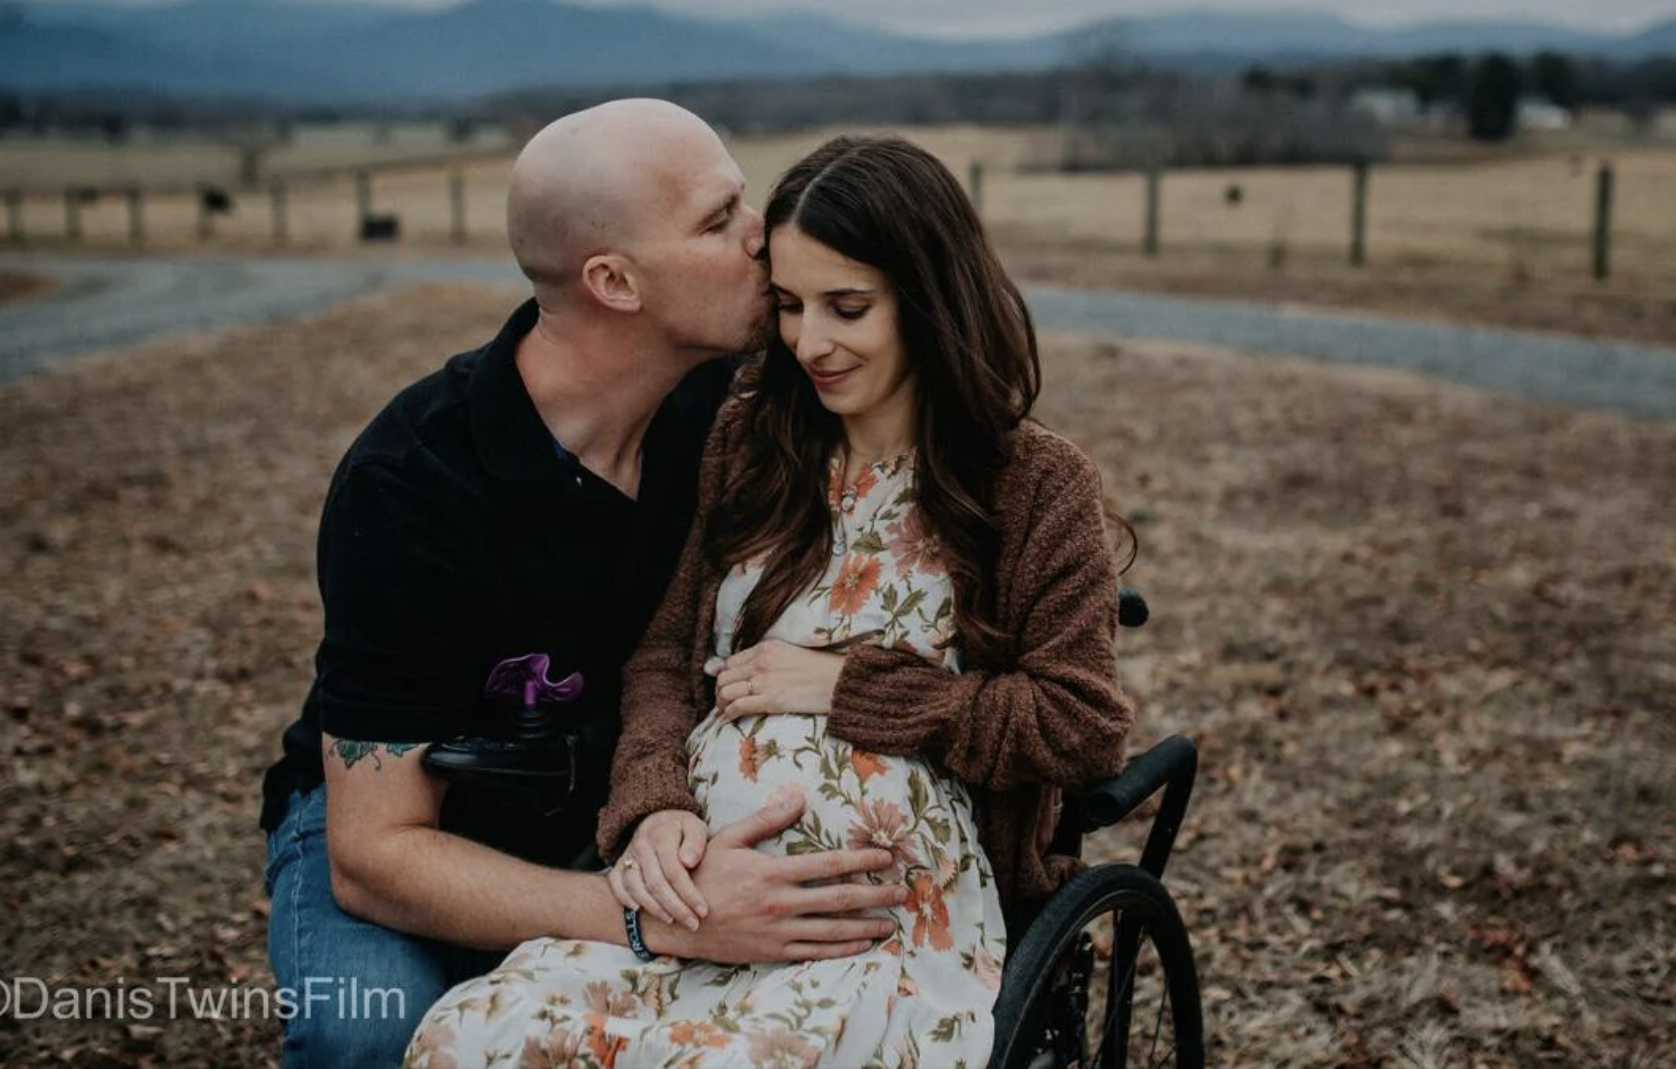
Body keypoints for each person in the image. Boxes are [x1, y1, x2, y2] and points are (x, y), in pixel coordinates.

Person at [406, 134, 1134, 1068]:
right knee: (472, 1033)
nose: (809, 342)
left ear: (931, 297)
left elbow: (1081, 726)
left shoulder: (1033, 482)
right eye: (788, 306)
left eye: (848, 307)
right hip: (702, 887)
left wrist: (845, 689)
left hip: (879, 914)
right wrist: (652, 807)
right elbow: (666, 656)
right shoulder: (751, 437)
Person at [258, 101, 906, 1068]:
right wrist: (659, 919)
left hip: (633, 796)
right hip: (418, 827)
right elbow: (375, 853)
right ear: (614, 281)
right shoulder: (411, 486)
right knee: (372, 1033)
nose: (761, 240)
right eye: (718, 219)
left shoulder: (737, 400)